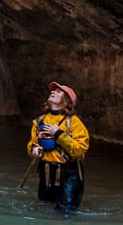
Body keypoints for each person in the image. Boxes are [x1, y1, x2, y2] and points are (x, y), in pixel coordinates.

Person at [27, 82, 89, 212]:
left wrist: (59, 134)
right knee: (44, 206)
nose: (53, 92)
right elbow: (33, 144)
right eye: (53, 91)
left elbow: (81, 148)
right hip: (46, 170)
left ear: (66, 101)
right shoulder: (39, 121)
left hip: (69, 172)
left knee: (66, 211)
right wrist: (34, 150)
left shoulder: (73, 122)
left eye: (59, 92)